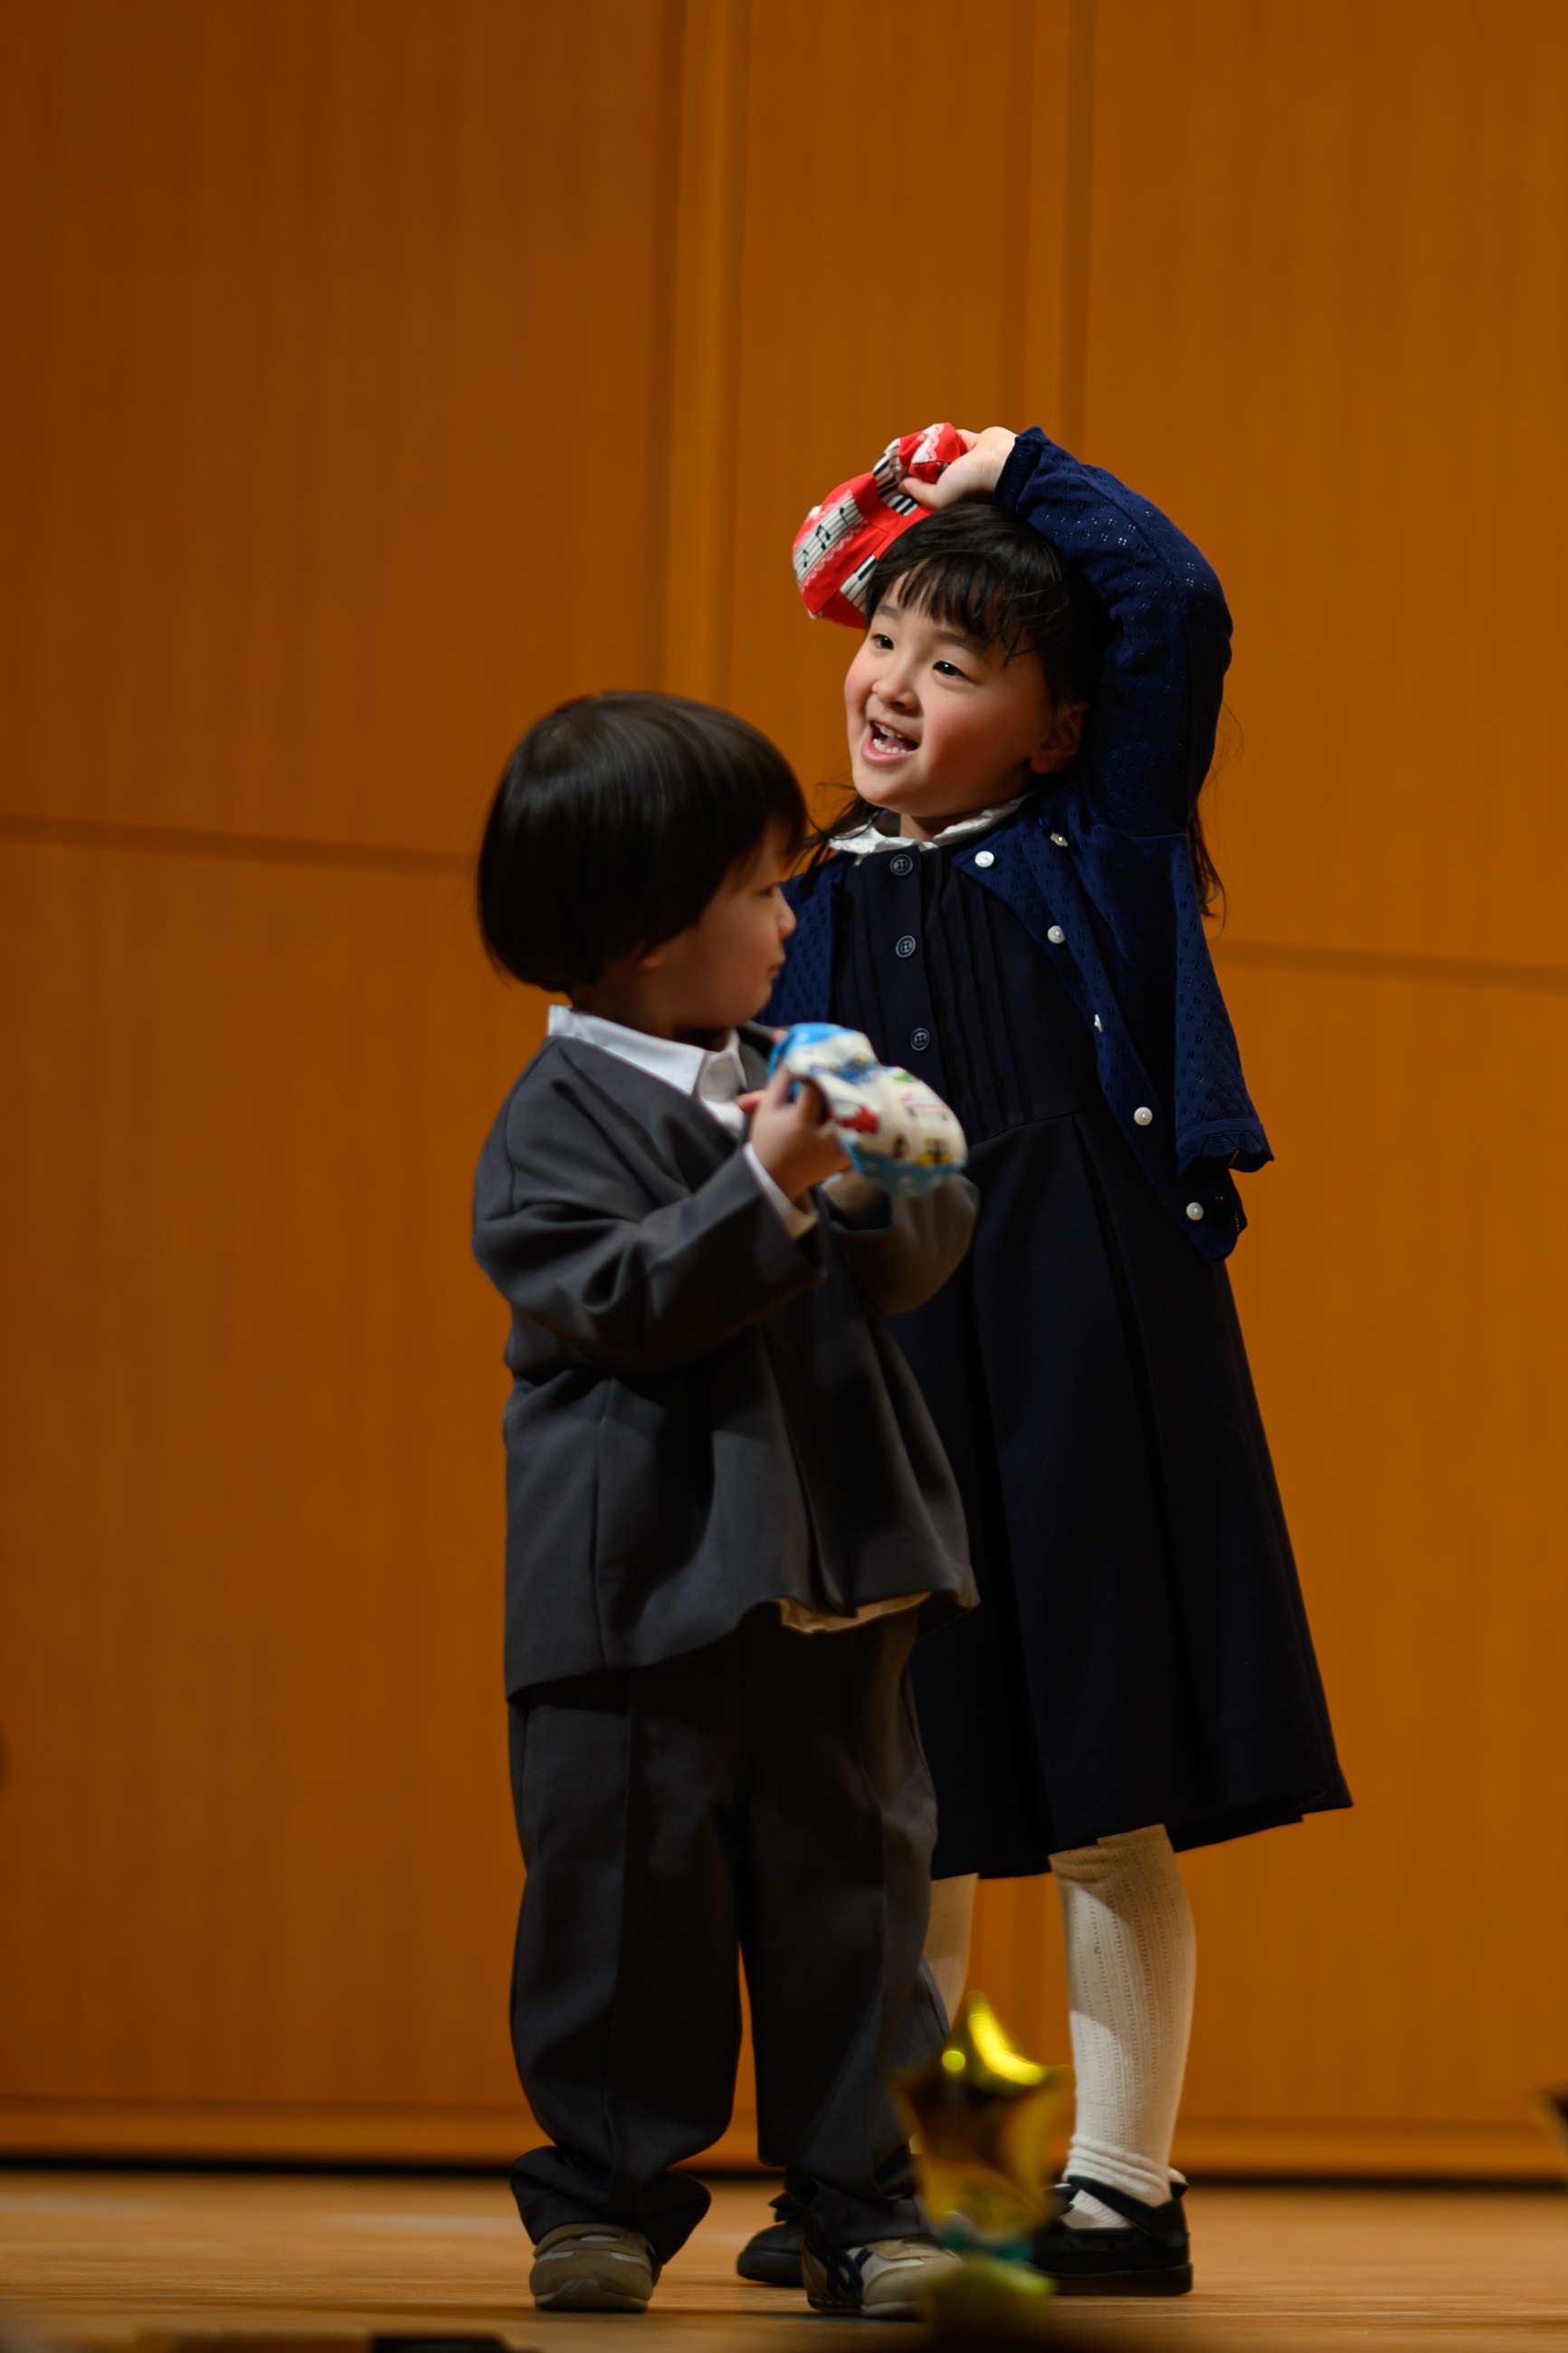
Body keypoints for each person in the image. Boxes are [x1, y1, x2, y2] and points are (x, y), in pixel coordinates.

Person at [739, 424, 1351, 2299]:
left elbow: (1171, 600)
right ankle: (897, 2183)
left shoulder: (1101, 836)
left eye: (958, 660)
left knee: (1099, 1786)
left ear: (1062, 727)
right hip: (888, 1347)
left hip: (1086, 1324)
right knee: (898, 1784)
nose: (895, 685)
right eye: (885, 642)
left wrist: (1019, 461)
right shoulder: (803, 886)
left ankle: (1115, 2188)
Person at [471, 690, 980, 2319]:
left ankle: (872, 2201)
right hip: (641, 1599)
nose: (790, 914)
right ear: (638, 927)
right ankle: (599, 2197)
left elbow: (901, 1272)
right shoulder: (552, 1121)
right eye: (762, 888)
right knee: (626, 1910)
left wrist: (905, 1171)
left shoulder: (785, 1070)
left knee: (863, 1911)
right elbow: (618, 1298)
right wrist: (767, 1180)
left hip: (840, 1581)